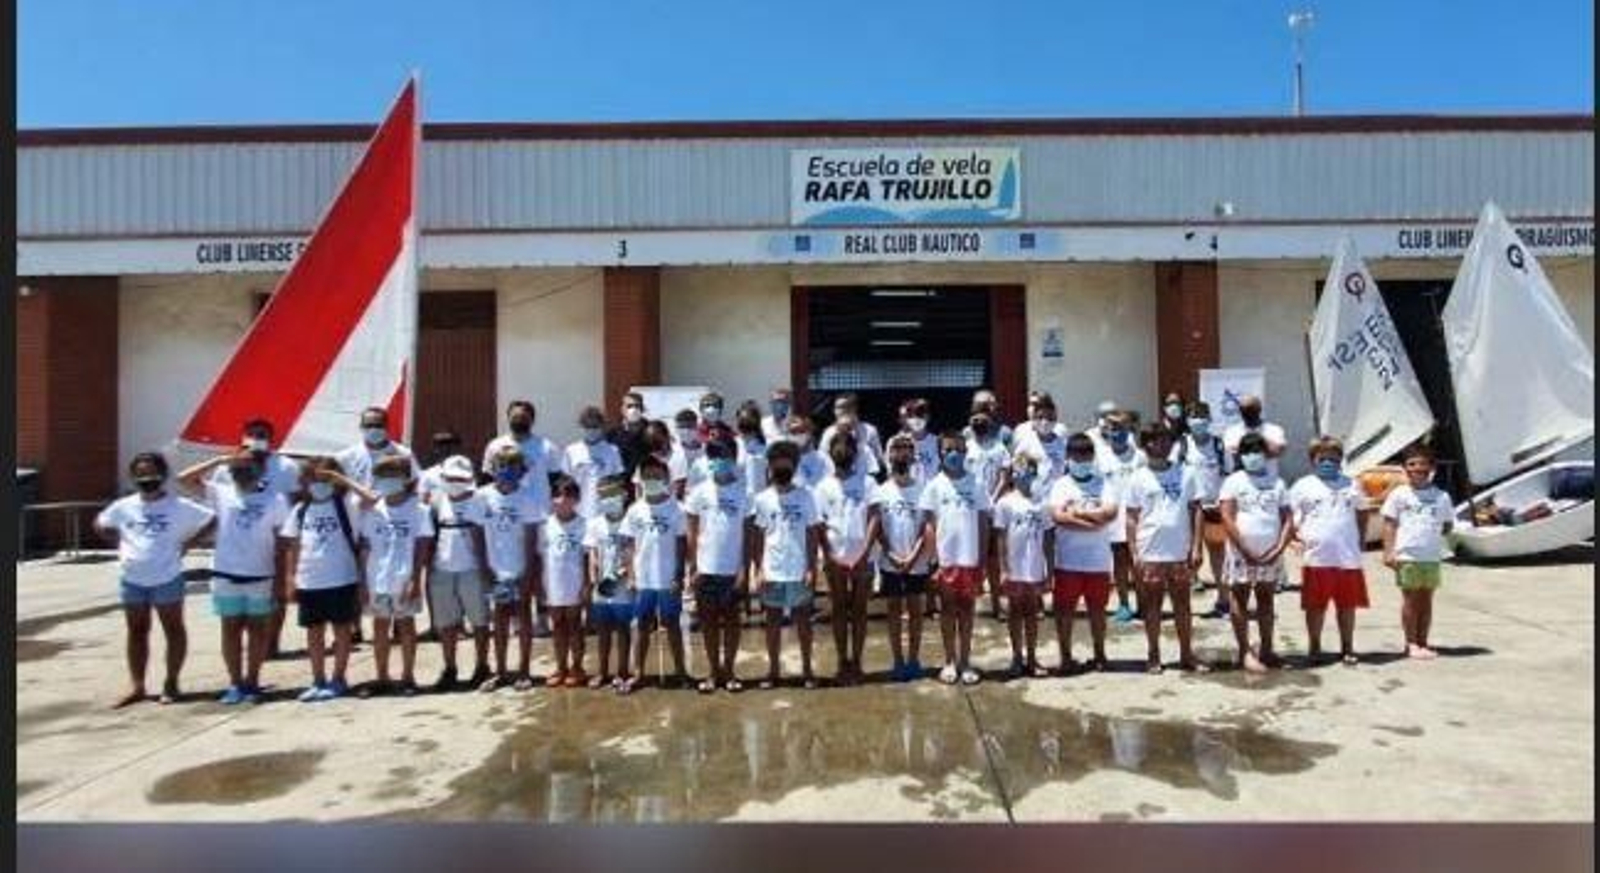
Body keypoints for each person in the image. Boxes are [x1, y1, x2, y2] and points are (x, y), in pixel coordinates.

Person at [94, 452, 216, 708]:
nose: (146, 477)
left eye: (151, 472)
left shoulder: (178, 505)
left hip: (167, 577)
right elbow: (100, 522)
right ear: (133, 476)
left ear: (162, 474)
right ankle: (137, 685)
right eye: (140, 473)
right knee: (137, 631)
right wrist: (118, 541)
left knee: (173, 629)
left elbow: (212, 519)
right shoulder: (124, 506)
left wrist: (190, 543)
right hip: (132, 579)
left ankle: (171, 683)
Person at [177, 450, 291, 705]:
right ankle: (235, 682)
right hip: (226, 573)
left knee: (257, 631)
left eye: (248, 466)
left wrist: (281, 579)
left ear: (261, 470)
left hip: (260, 574)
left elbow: (282, 542)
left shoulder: (275, 499)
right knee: (230, 630)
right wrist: (219, 460)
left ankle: (253, 680)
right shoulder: (221, 492)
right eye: (237, 467)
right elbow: (183, 479)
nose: (242, 471)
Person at [280, 457, 377, 702]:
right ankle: (318, 679)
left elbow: (372, 498)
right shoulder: (300, 510)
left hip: (341, 577)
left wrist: (339, 479)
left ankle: (338, 678)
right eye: (313, 479)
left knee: (341, 631)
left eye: (324, 479)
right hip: (309, 580)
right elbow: (293, 546)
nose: (319, 484)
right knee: (314, 632)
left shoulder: (347, 505)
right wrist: (291, 578)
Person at [1123, 422, 1207, 674]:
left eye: (1166, 439)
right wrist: (1134, 552)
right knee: (1152, 606)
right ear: (1145, 444)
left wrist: (1196, 546)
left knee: (1183, 605)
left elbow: (1196, 510)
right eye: (1155, 440)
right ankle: (1153, 655)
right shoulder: (1137, 477)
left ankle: (1186, 654)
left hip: (1180, 551)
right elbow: (1131, 517)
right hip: (1150, 551)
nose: (1161, 444)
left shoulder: (1187, 473)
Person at [1289, 437, 1372, 666]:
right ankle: (1314, 646)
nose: (1328, 463)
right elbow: (1289, 517)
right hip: (1316, 558)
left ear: (1341, 460)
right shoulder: (1302, 486)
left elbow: (1362, 511)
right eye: (1322, 459)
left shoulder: (1352, 484)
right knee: (1315, 607)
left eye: (1333, 459)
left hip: (1348, 558)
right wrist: (1292, 540)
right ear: (1312, 460)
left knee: (1347, 606)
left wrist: (1361, 539)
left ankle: (1347, 647)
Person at [356, 455, 434, 697]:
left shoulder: (419, 510)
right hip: (377, 578)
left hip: (404, 578)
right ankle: (382, 677)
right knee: (380, 628)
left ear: (405, 478)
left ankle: (408, 677)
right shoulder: (372, 510)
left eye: (393, 475)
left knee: (406, 627)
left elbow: (422, 547)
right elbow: (365, 547)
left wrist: (415, 580)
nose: (387, 480)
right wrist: (363, 583)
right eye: (382, 476)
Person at [918, 431, 992, 685]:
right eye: (948, 449)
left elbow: (983, 523)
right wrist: (934, 561)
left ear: (966, 452)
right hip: (946, 561)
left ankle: (966, 661)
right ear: (940, 453)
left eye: (959, 449)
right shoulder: (934, 486)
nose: (954, 454)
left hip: (970, 559)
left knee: (968, 610)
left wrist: (982, 559)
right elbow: (929, 527)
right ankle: (949, 660)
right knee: (948, 609)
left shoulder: (977, 484)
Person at [684, 428, 753, 693]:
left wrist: (744, 569)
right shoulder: (699, 492)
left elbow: (748, 535)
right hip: (706, 569)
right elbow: (692, 533)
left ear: (733, 457)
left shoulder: (744, 493)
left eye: (722, 455)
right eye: (712, 455)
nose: (717, 460)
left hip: (732, 569)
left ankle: (730, 670)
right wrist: (693, 568)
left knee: (732, 622)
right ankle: (713, 671)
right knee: (709, 623)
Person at [1219, 432, 1294, 673]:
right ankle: (1244, 651)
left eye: (1257, 451)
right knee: (1239, 598)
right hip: (1241, 553)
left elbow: (1288, 518)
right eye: (1247, 451)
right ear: (1240, 456)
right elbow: (1226, 517)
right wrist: (1244, 549)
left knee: (1266, 599)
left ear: (1266, 455)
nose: (1252, 456)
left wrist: (1279, 548)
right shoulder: (1233, 481)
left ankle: (1267, 649)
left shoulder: (1278, 482)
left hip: (1271, 552)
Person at [751, 440, 822, 689]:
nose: (782, 467)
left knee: (803, 621)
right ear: (770, 466)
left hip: (799, 570)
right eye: (777, 462)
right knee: (772, 622)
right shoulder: (762, 499)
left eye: (787, 462)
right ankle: (773, 671)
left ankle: (807, 670)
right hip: (772, 570)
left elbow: (812, 533)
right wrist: (759, 569)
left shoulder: (806, 496)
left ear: (794, 465)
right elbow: (758, 536)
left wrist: (811, 567)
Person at [814, 430, 882, 686]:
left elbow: (875, 517)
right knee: (840, 609)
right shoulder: (823, 486)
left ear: (855, 453)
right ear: (831, 453)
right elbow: (820, 525)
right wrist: (829, 555)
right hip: (835, 558)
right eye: (837, 448)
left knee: (860, 610)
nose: (842, 453)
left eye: (847, 448)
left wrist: (864, 552)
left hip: (863, 557)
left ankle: (858, 661)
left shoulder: (868, 483)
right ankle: (843, 661)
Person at [477, 446, 547, 692]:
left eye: (513, 466)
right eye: (502, 465)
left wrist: (528, 572)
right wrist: (484, 567)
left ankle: (524, 670)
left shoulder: (528, 498)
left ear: (521, 471)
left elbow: (531, 538)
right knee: (500, 619)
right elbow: (478, 532)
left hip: (520, 568)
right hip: (495, 568)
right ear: (493, 469)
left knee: (523, 616)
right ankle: (500, 672)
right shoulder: (483, 496)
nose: (507, 471)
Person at [1048, 434, 1119, 673]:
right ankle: (1066, 657)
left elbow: (1110, 513)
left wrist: (1076, 513)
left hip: (1098, 562)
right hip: (1068, 562)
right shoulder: (1061, 485)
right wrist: (1093, 520)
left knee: (1097, 611)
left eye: (1086, 455)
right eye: (1077, 455)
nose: (1082, 460)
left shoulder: (1103, 483)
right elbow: (1058, 517)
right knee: (1064, 612)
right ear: (1068, 457)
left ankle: (1100, 655)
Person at [622, 454, 692, 688]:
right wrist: (631, 575)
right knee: (642, 625)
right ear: (640, 479)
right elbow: (629, 545)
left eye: (656, 475)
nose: (651, 479)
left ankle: (681, 671)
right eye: (647, 476)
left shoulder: (677, 509)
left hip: (668, 579)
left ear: (666, 478)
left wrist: (679, 576)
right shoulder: (635, 510)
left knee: (672, 624)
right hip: (643, 580)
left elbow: (682, 544)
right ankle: (638, 673)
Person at [1380, 444, 1455, 660]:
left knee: (1426, 600)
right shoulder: (1399, 494)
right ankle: (1411, 643)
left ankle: (1423, 641)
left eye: (1422, 464)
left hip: (1431, 556)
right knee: (1410, 599)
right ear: (1405, 468)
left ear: (1431, 467)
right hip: (1407, 555)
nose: (1417, 468)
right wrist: (1388, 552)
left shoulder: (1442, 496)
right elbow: (1389, 523)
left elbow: (1448, 524)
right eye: (1412, 464)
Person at [425, 456, 492, 692]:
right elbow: (429, 538)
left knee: (480, 622)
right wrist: (428, 569)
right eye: (451, 478)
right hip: (442, 570)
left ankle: (482, 666)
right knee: (447, 625)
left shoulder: (480, 501)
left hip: (472, 570)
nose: (455, 483)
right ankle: (450, 668)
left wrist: (485, 569)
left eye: (460, 479)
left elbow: (485, 537)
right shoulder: (435, 502)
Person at [876, 434, 932, 682]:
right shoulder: (881, 491)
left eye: (907, 448)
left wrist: (913, 556)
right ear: (889, 455)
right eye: (897, 448)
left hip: (916, 563)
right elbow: (877, 528)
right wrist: (891, 554)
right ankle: (897, 659)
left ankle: (914, 659)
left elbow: (926, 527)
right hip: (890, 563)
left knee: (916, 610)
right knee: (894, 610)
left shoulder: (923, 489)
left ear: (913, 455)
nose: (902, 453)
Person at [992, 453, 1051, 679]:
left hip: (1034, 566)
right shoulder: (1004, 503)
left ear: (1034, 473)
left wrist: (1049, 569)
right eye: (1017, 470)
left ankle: (1033, 657)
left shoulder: (1041, 503)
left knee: (1033, 612)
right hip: (1014, 567)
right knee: (1015, 611)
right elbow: (1000, 538)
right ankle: (1017, 656)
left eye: (1026, 469)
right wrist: (1004, 569)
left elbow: (1048, 539)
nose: (1021, 474)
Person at [538, 475, 591, 688]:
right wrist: (540, 586)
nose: (563, 500)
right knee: (558, 625)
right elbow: (540, 557)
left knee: (575, 625)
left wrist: (586, 584)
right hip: (553, 583)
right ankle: (561, 667)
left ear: (576, 499)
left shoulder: (584, 524)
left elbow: (587, 557)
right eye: (558, 496)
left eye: (568, 496)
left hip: (574, 583)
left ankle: (577, 667)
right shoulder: (545, 525)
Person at [585, 476, 637, 692]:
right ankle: (602, 671)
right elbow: (593, 553)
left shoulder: (630, 522)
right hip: (602, 587)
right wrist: (593, 577)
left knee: (623, 629)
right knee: (603, 630)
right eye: (603, 495)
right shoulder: (595, 524)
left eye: (612, 494)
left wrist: (624, 575)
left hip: (622, 586)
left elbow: (632, 551)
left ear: (624, 495)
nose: (608, 499)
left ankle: (622, 671)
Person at [1097, 411, 1147, 624]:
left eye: (1121, 428)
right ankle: (1124, 604)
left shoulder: (1140, 456)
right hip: (1113, 520)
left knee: (1138, 563)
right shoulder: (1100, 456)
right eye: (1113, 428)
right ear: (1107, 431)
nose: (1117, 432)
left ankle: (1144, 604)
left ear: (1129, 430)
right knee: (1119, 563)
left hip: (1138, 518)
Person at [1183, 401, 1231, 618]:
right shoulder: (1181, 446)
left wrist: (1224, 505)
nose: (1198, 421)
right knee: (1187, 556)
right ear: (1187, 421)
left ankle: (1223, 600)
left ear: (1210, 419)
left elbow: (1229, 475)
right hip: (1188, 510)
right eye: (1193, 416)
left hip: (1213, 509)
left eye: (1202, 416)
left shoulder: (1219, 445)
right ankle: (1184, 606)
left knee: (1218, 554)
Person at [968, 409, 1015, 621]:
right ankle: (969, 606)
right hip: (971, 513)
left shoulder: (999, 448)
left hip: (994, 510)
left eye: (983, 419)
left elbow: (1005, 478)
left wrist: (991, 501)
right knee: (971, 559)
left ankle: (998, 606)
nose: (979, 421)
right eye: (975, 418)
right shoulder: (966, 447)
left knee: (994, 562)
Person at [482, 400, 563, 511]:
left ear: (532, 420)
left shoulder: (548, 447)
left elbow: (556, 482)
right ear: (508, 418)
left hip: (539, 510)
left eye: (523, 417)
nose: (519, 420)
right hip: (502, 510)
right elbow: (488, 479)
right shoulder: (495, 446)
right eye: (515, 417)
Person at [564, 405, 625, 519]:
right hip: (578, 512)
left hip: (604, 512)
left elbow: (617, 482)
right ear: (581, 426)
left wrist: (615, 510)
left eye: (595, 426)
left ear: (602, 426)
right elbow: (566, 483)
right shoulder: (571, 451)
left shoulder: (612, 451)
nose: (591, 430)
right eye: (588, 426)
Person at [335, 406, 420, 487]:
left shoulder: (404, 454)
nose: (373, 429)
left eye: (378, 426)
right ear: (361, 427)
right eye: (369, 425)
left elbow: (416, 483)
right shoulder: (346, 456)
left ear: (386, 427)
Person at [1221, 394, 1288, 478]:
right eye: (1244, 410)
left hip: (1269, 481)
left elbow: (1278, 451)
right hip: (1241, 481)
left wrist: (1246, 447)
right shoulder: (1232, 432)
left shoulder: (1274, 430)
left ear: (1259, 410)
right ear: (1240, 412)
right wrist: (1263, 449)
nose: (1248, 413)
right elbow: (1232, 455)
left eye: (1252, 410)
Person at [819, 392, 884, 473]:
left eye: (844, 407)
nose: (840, 411)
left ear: (854, 408)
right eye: (837, 408)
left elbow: (878, 458)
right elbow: (822, 460)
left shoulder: (870, 430)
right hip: (837, 476)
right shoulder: (829, 432)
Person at [1012, 393, 1067, 484]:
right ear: (1034, 419)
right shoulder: (1025, 444)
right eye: (1040, 417)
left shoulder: (1063, 443)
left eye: (1050, 418)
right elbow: (1018, 474)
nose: (1045, 422)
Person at [609, 391, 652, 482]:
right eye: (629, 406)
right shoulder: (612, 433)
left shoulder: (651, 431)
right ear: (622, 409)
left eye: (637, 406)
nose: (634, 410)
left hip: (646, 482)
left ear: (642, 409)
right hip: (619, 483)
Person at [898, 398, 940, 482]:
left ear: (928, 417)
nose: (916, 419)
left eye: (920, 415)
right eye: (911, 416)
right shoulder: (897, 442)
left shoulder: (938, 442)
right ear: (906, 419)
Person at [784, 414, 830, 488]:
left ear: (809, 433)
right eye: (793, 432)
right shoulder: (783, 461)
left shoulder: (823, 458)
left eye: (801, 431)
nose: (798, 435)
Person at [417, 430, 465, 502]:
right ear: (436, 450)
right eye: (441, 446)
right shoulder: (428, 474)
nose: (447, 450)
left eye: (450, 446)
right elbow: (423, 500)